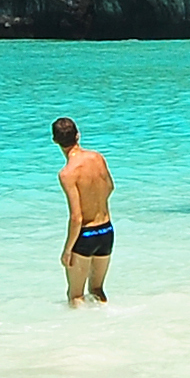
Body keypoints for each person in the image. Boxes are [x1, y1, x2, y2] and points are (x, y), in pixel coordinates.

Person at [54, 114, 115, 306]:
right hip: (106, 231)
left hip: (86, 236)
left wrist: (67, 249)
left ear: (55, 141)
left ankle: (80, 333)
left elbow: (76, 217)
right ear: (78, 135)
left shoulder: (67, 173)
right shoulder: (98, 158)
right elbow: (110, 187)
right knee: (97, 290)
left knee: (76, 296)